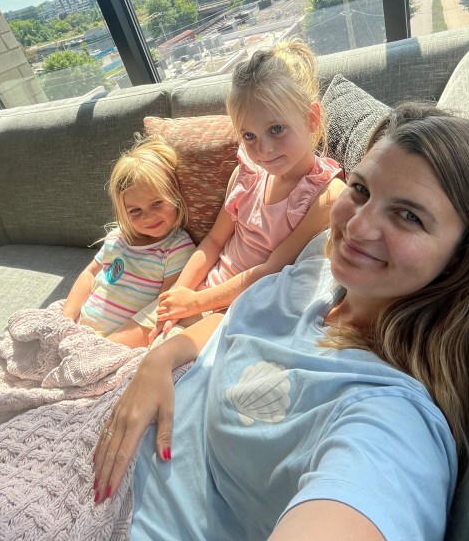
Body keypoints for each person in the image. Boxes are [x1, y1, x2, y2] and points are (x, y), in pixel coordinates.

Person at [92, 102, 469, 541]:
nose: (359, 225)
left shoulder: (389, 416)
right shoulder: (322, 268)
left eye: (408, 215)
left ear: (460, 258)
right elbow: (237, 320)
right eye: (362, 189)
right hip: (93, 466)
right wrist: (164, 357)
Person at [143, 39, 345, 338]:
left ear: (311, 119)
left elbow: (272, 268)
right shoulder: (247, 174)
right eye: (249, 136)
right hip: (204, 291)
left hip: (238, 312)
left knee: (156, 358)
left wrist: (196, 303)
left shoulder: (327, 194)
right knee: (118, 338)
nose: (263, 150)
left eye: (276, 129)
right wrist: (178, 295)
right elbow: (214, 241)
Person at [62, 135, 195, 349]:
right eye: (135, 210)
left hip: (116, 345)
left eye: (157, 203)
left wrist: (106, 346)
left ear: (175, 197)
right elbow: (89, 275)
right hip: (78, 329)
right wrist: (67, 318)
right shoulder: (117, 237)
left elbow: (162, 307)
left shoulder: (177, 247)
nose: (148, 217)